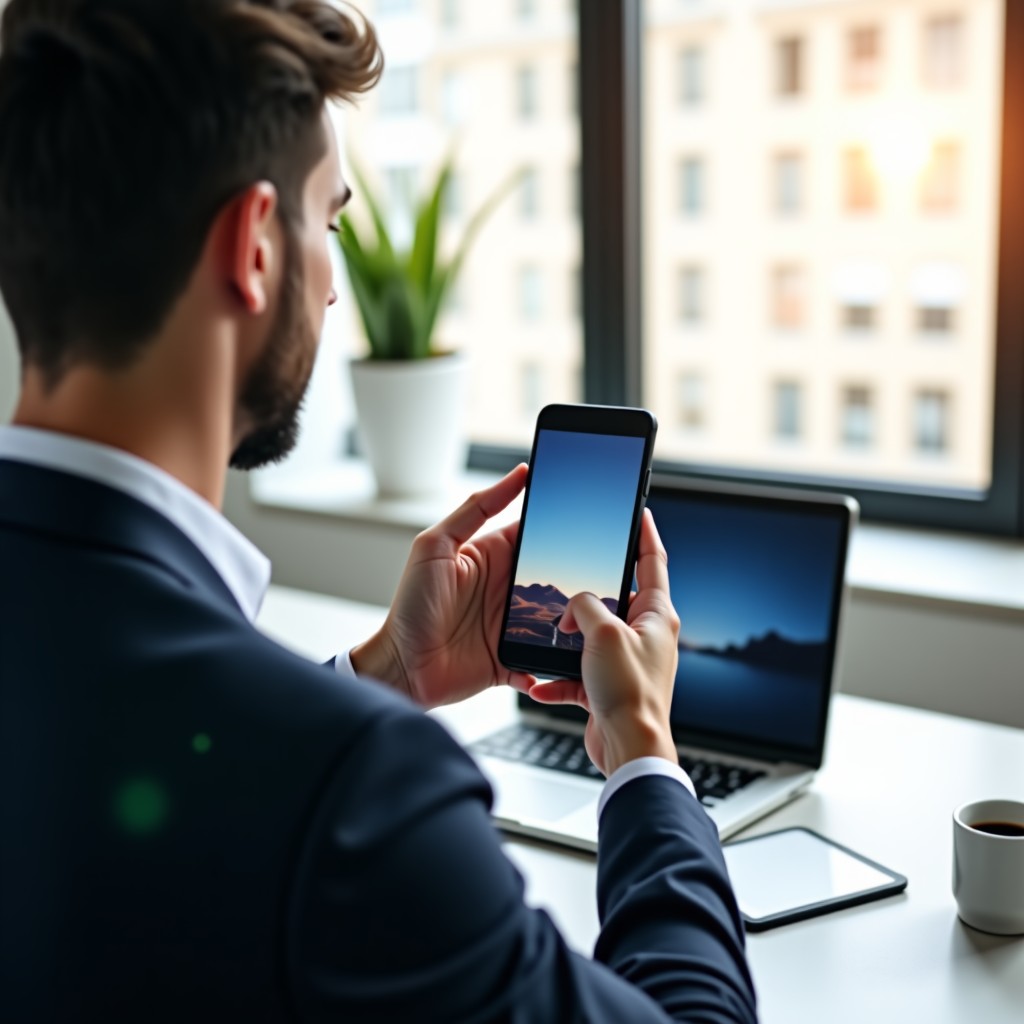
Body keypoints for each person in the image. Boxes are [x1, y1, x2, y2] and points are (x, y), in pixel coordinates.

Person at [0, 1, 758, 1020]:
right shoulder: (356, 792)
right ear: (256, 249)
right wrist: (645, 752)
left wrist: (380, 678)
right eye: (330, 218)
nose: (334, 294)